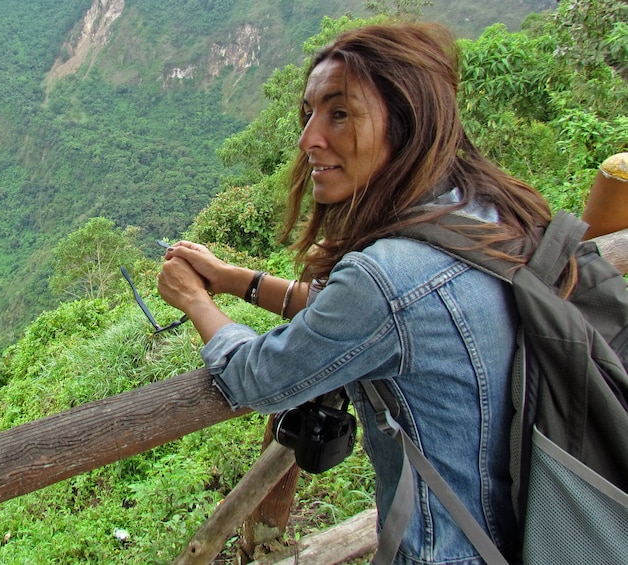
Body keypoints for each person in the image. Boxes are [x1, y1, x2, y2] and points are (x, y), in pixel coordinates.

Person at [157, 23, 552, 565]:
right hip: (530, 526)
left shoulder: (386, 278)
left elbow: (259, 379)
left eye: (340, 113)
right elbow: (348, 319)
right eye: (310, 113)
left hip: (447, 550)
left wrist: (195, 300)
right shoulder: (484, 209)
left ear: (408, 123)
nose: (308, 138)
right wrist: (233, 278)